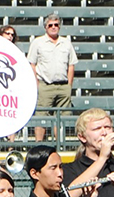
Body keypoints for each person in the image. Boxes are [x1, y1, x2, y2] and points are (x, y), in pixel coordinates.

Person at [27, 14, 78, 142]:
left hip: (63, 86)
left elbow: (71, 65)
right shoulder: (38, 43)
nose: (53, 27)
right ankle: (38, 144)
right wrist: (36, 84)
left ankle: (59, 144)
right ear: (45, 27)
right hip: (45, 85)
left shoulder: (66, 43)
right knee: (42, 117)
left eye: (56, 25)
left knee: (61, 118)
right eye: (50, 25)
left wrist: (69, 86)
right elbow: (31, 63)